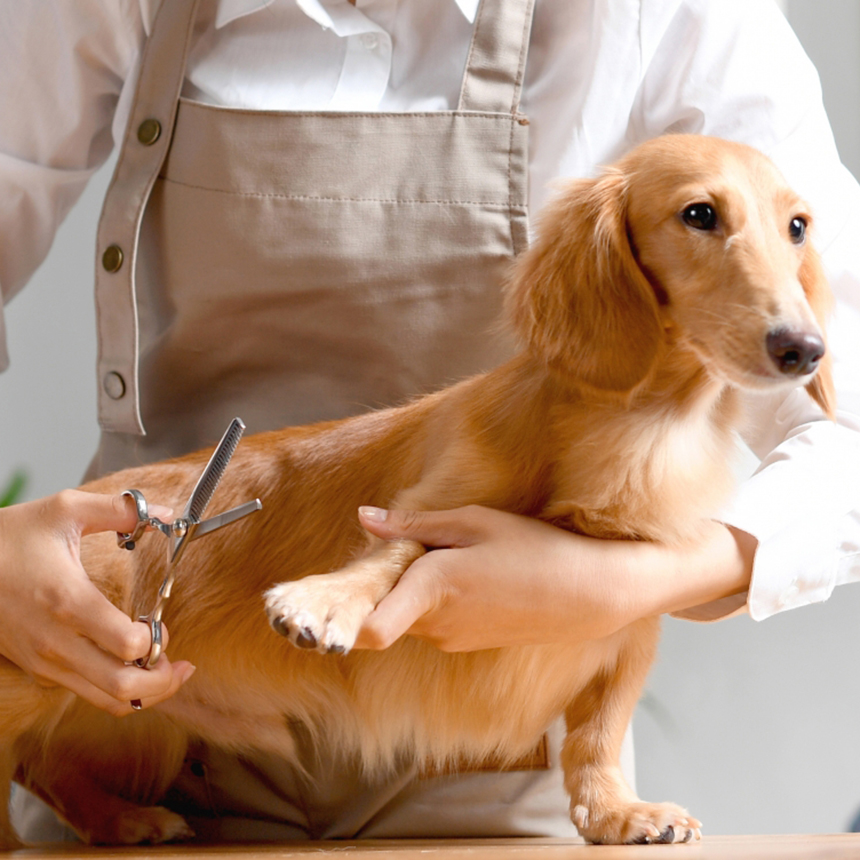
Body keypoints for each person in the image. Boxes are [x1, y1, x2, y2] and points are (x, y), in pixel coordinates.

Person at [1, 0, 858, 843]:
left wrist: (622, 583)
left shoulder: (666, 13)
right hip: (129, 699)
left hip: (491, 774)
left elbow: (844, 409)